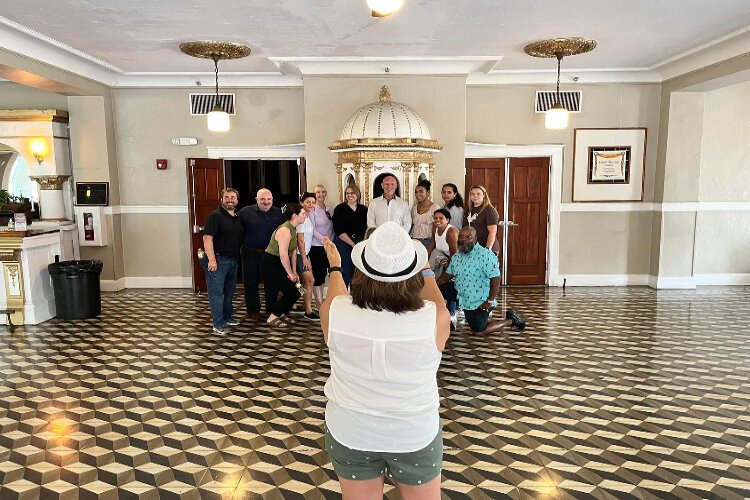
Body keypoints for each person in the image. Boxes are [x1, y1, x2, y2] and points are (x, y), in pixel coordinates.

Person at [319, 221, 450, 500]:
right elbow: (439, 304)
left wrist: (334, 267)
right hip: (413, 435)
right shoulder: (434, 319)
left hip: (351, 432)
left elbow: (337, 296)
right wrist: (426, 268)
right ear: (412, 271)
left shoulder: (335, 312)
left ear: (362, 271)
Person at [437, 226, 525, 334]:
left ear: (475, 239)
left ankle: (511, 320)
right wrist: (431, 285)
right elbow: (447, 276)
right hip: (460, 291)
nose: (463, 239)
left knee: (478, 331)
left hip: (478, 300)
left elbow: (496, 279)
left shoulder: (485, 255)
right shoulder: (457, 256)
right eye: (461, 236)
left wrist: (490, 301)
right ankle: (446, 320)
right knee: (435, 291)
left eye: (468, 237)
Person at [201, 188, 244, 334]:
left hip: (232, 261)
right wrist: (212, 259)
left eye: (233, 197)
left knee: (229, 292)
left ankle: (227, 318)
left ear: (237, 200)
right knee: (217, 293)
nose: (230, 199)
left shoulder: (236, 217)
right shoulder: (215, 216)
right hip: (218, 260)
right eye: (227, 197)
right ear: (222, 199)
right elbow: (207, 238)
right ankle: (218, 324)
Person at [238, 188, 283, 321]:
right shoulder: (245, 212)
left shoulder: (279, 213)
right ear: (257, 200)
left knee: (271, 284)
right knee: (251, 283)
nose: (266, 202)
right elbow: (235, 229)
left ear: (272, 200)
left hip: (270, 254)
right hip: (250, 253)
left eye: (269, 199)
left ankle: (271, 310)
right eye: (262, 199)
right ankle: (253, 311)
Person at [261, 202, 308, 328]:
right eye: (303, 214)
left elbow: (292, 252)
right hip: (271, 263)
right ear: (294, 215)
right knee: (294, 291)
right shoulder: (285, 230)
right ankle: (272, 317)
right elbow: (283, 255)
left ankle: (281, 313)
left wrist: (294, 271)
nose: (305, 216)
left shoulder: (293, 229)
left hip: (281, 262)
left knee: (298, 289)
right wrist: (290, 274)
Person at [332, 184, 368, 287]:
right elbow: (338, 230)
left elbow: (366, 228)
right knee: (345, 272)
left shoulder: (364, 210)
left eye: (352, 193)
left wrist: (361, 244)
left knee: (358, 272)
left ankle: (355, 298)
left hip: (360, 242)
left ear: (357, 194)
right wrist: (353, 244)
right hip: (343, 243)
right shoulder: (339, 209)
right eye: (347, 193)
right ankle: (344, 298)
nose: (349, 195)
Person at [309, 184, 335, 308]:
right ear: (314, 194)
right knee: (317, 276)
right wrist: (323, 240)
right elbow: (312, 229)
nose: (321, 194)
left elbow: (333, 228)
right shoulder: (312, 209)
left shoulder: (330, 209)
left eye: (323, 192)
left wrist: (330, 242)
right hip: (317, 247)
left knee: (324, 275)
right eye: (318, 192)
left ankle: (321, 301)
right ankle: (319, 304)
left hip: (328, 246)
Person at [297, 192, 319, 320]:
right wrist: (305, 258)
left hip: (305, 254)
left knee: (302, 282)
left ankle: (302, 304)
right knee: (309, 280)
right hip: (300, 255)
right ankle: (308, 310)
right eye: (308, 202)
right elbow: (300, 239)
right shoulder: (301, 217)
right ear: (302, 203)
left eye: (313, 202)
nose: (310, 204)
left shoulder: (308, 216)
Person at [465, 184, 500, 254]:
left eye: (478, 194)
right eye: (473, 194)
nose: (475, 196)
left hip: (486, 248)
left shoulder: (489, 210)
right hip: (473, 248)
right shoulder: (468, 210)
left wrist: (487, 250)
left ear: (484, 195)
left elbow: (492, 232)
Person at [426, 208, 458, 281]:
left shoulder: (451, 232)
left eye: (441, 218)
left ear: (447, 220)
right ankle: (428, 279)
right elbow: (432, 243)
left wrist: (448, 270)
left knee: (439, 276)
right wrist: (426, 258)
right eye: (435, 218)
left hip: (455, 260)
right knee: (435, 252)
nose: (437, 220)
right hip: (443, 256)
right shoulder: (435, 227)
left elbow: (455, 255)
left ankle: (431, 279)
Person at [410, 179, 440, 248]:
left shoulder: (435, 207)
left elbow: (437, 229)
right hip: (414, 241)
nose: (418, 195)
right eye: (416, 192)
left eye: (421, 192)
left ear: (428, 192)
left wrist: (431, 247)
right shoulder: (414, 208)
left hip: (428, 241)